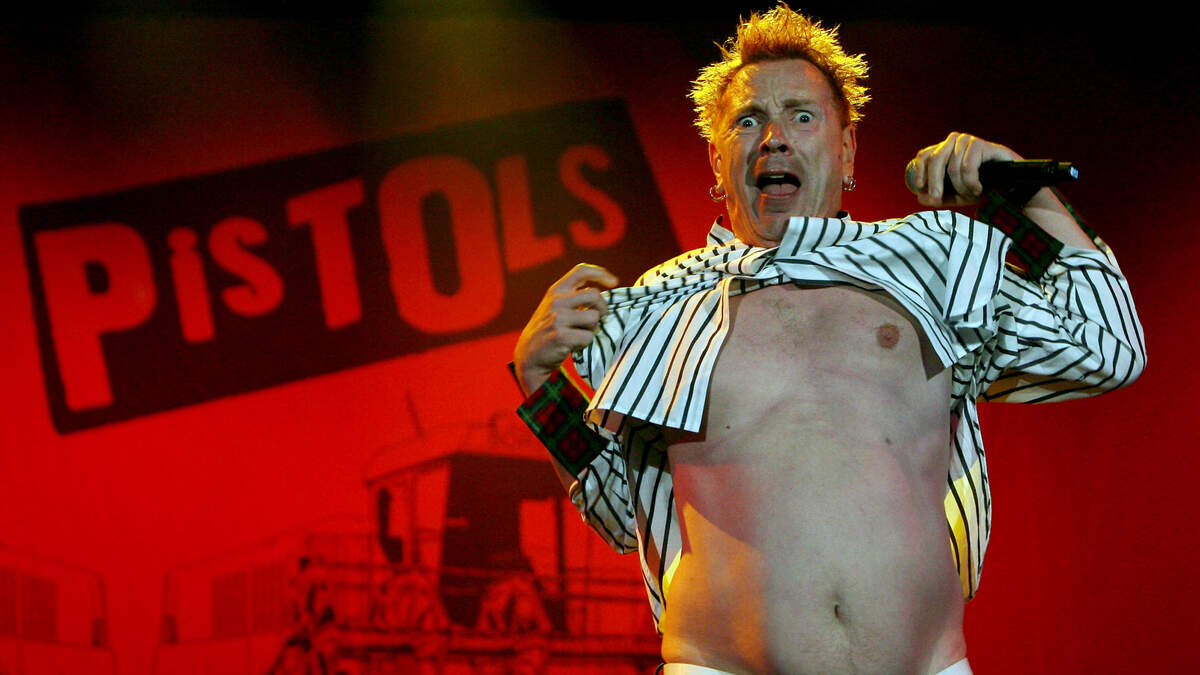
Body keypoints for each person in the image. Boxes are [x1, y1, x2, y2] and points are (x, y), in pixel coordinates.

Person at [511, 5, 1145, 674]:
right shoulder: (660, 305)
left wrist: (1026, 192)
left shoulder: (930, 266)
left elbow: (1108, 347)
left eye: (801, 117)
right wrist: (538, 381)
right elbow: (620, 512)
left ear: (846, 152)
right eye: (748, 120)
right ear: (718, 161)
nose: (773, 138)